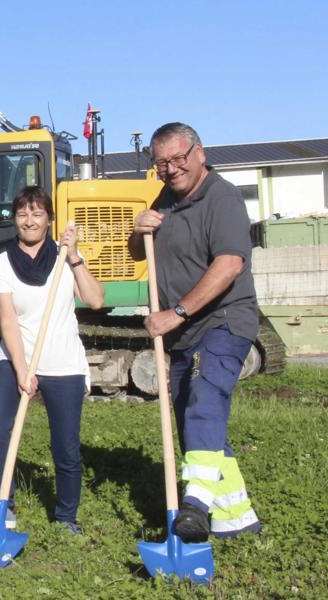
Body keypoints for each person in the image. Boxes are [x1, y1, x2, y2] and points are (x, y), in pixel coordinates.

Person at [129, 122, 261, 541]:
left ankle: (195, 508)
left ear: (199, 153)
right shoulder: (166, 199)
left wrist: (178, 312)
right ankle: (237, 519)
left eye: (178, 159)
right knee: (198, 429)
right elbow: (139, 253)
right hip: (185, 333)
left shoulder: (222, 198)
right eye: (161, 162)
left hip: (222, 321)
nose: (170, 169)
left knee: (204, 400)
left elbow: (229, 265)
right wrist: (139, 230)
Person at [0, 186, 103, 536]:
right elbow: (8, 319)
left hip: (63, 361)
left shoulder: (64, 259)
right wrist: (22, 368)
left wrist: (75, 256)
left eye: (37, 214)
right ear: (15, 219)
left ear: (48, 220)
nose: (29, 221)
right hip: (16, 356)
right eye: (23, 214)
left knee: (65, 444)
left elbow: (95, 300)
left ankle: (66, 518)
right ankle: (3, 503)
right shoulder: (0, 263)